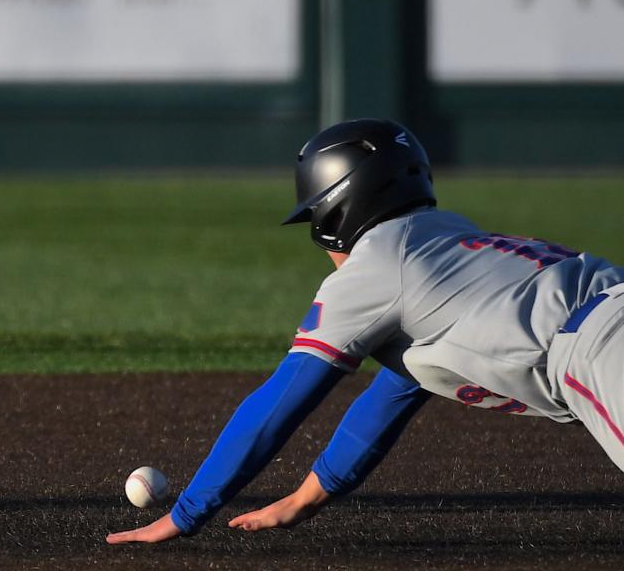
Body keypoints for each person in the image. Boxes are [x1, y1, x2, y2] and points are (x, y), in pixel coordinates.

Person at [108, 118, 624, 544]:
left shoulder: (375, 266)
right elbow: (398, 389)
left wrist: (187, 513)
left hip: (599, 344)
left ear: (337, 211)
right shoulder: (443, 240)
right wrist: (307, 496)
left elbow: (281, 401)